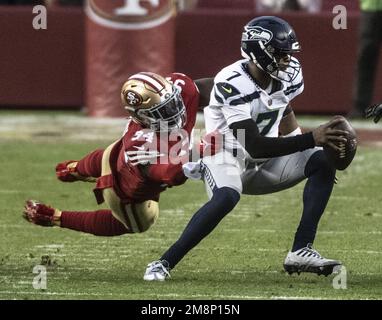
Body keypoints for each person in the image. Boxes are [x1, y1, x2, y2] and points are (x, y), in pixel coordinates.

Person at [144, 16, 348, 281]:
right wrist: (311, 139)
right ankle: (163, 263)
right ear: (258, 52)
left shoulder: (288, 75)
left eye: (288, 54)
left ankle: (301, 249)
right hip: (225, 156)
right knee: (227, 197)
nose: (287, 61)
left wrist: (301, 143)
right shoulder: (232, 81)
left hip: (266, 162)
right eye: (280, 54)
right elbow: (255, 144)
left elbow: (283, 108)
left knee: (322, 161)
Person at [23, 72, 213, 236]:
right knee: (140, 223)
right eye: (161, 112)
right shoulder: (142, 147)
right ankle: (54, 217)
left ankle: (72, 169)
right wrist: (204, 148)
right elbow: (171, 174)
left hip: (117, 152)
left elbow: (219, 88)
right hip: (124, 189)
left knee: (110, 154)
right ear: (141, 117)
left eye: (172, 103)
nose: (174, 112)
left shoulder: (180, 87)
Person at [349, 0, 382, 118]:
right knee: (365, 59)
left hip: (370, 10)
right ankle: (360, 107)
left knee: (365, 60)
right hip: (370, 8)